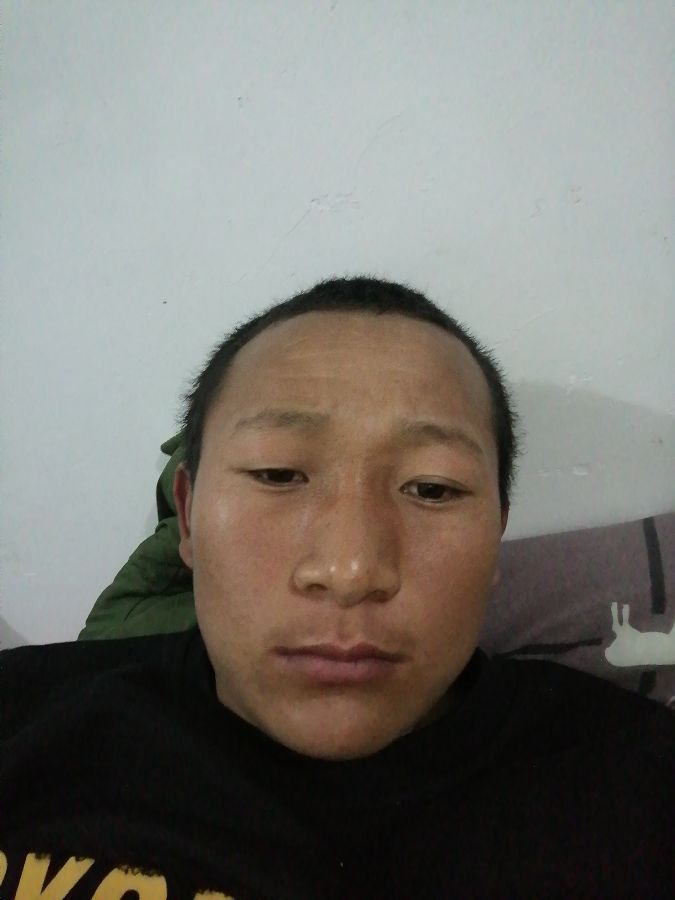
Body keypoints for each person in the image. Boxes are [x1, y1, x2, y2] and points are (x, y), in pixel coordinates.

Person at [1, 276, 673, 900]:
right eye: (277, 475)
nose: (350, 571)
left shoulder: (640, 787)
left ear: (496, 532)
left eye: (432, 488)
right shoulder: (24, 714)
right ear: (188, 513)